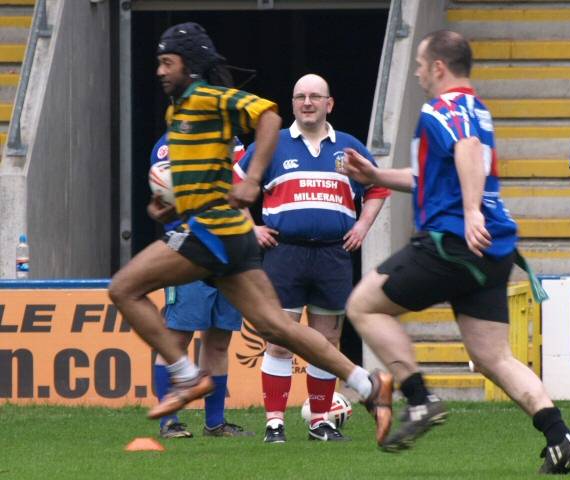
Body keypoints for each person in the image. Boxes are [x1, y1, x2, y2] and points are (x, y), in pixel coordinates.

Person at [107, 22, 393, 448]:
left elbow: (269, 115)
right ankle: (370, 386)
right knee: (277, 328)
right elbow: (201, 176)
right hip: (227, 235)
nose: (160, 71)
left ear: (191, 64)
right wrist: (167, 205)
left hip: (212, 232)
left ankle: (186, 377)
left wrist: (253, 178)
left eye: (168, 62)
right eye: (159, 62)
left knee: (123, 288)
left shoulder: (209, 95)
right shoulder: (177, 110)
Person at [341, 30, 570, 474]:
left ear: (438, 67)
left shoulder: (444, 107)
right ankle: (559, 434)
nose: (416, 71)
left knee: (362, 306)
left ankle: (419, 399)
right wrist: (375, 173)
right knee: (494, 358)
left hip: (453, 243)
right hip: (494, 249)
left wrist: (470, 212)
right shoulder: (478, 108)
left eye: (420, 62)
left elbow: (467, 150)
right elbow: (431, 176)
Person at [235, 74, 390, 443]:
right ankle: (274, 422)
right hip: (283, 252)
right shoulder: (273, 145)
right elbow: (234, 184)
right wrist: (251, 228)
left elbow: (379, 186)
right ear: (292, 104)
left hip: (333, 254)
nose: (307, 102)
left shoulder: (349, 148)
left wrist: (363, 227)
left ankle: (320, 421)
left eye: (315, 97)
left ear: (329, 104)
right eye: (300, 97)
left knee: (327, 340)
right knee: (278, 339)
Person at [149, 134, 253, 439]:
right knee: (176, 337)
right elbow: (166, 190)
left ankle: (215, 423)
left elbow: (239, 192)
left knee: (219, 341)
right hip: (190, 249)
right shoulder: (171, 141)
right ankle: (170, 420)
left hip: (229, 250)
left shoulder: (235, 142)